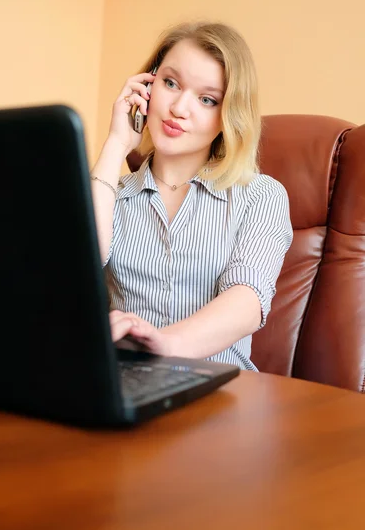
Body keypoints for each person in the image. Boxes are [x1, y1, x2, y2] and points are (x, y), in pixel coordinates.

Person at [90, 21, 293, 371]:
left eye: (207, 99)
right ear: (147, 86)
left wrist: (167, 344)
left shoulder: (261, 196)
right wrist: (116, 144)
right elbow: (80, 262)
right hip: (127, 382)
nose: (180, 108)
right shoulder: (111, 193)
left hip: (224, 393)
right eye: (170, 83)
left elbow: (247, 301)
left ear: (228, 113)